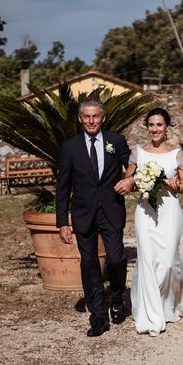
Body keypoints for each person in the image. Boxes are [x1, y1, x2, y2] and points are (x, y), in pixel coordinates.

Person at [56, 100, 134, 337]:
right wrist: (62, 222)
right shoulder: (70, 147)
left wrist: (130, 180)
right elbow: (63, 186)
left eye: (96, 117)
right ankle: (98, 316)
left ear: (103, 118)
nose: (91, 121)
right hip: (83, 213)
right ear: (80, 119)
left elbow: (133, 164)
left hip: (111, 210)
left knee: (117, 259)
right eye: (86, 117)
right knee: (89, 263)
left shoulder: (116, 141)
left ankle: (118, 296)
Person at [124, 108, 183, 337]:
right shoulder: (137, 153)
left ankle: (168, 304)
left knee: (167, 263)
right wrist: (141, 182)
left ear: (167, 127)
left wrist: (171, 184)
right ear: (147, 127)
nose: (155, 129)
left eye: (159, 125)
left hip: (169, 211)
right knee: (147, 261)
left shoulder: (177, 155)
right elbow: (128, 182)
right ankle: (151, 314)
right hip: (145, 212)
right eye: (151, 125)